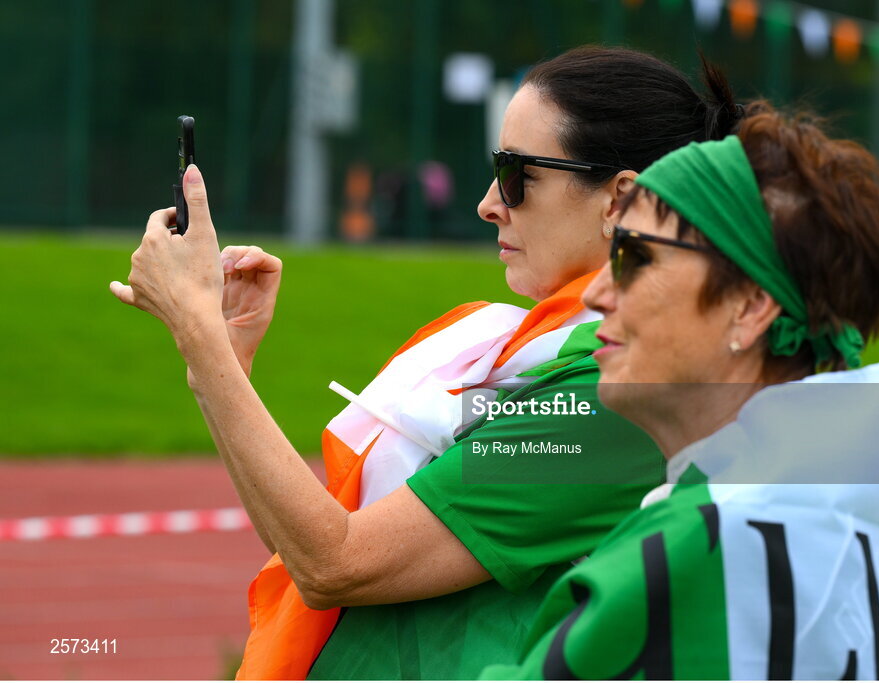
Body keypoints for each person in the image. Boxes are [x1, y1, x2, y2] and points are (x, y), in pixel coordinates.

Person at [108, 47, 746, 680]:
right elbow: (309, 539)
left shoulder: (609, 397)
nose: (488, 203)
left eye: (517, 174)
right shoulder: (527, 352)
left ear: (620, 200)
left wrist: (200, 333)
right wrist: (220, 365)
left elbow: (336, 562)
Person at [480, 103, 879, 679]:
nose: (597, 293)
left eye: (636, 257)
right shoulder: (844, 507)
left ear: (749, 307)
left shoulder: (696, 546)